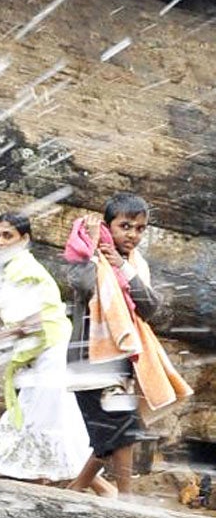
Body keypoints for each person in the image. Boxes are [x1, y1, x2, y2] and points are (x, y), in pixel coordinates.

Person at [64, 193, 190, 496]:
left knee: (117, 431)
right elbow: (80, 286)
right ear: (109, 226)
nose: (132, 234)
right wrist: (93, 248)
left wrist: (121, 265)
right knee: (123, 428)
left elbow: (150, 308)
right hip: (89, 359)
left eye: (139, 228)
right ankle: (126, 498)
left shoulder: (134, 265)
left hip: (119, 362)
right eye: (125, 226)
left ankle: (76, 489)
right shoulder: (86, 259)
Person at [0, 212, 91, 485]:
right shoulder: (16, 268)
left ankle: (66, 483)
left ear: (24, 239)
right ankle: (57, 481)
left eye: (7, 235)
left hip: (53, 351)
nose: (0, 242)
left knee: (42, 419)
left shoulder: (25, 271)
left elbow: (32, 324)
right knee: (53, 418)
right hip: (49, 351)